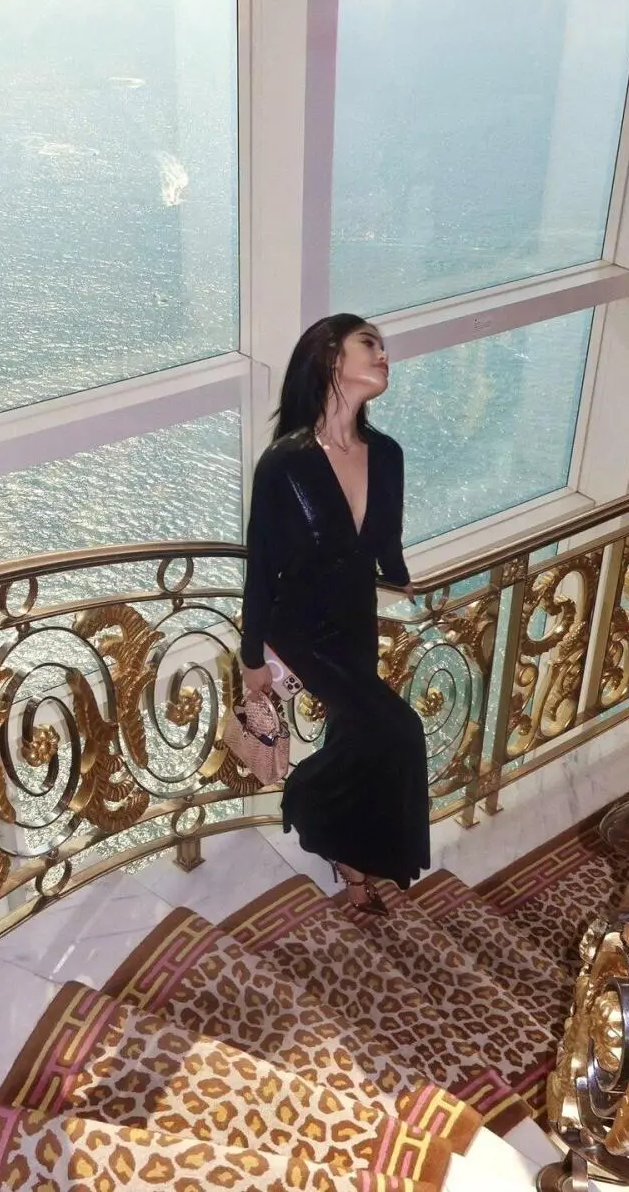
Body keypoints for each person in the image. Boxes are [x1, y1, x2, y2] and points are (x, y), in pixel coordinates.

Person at [239, 313, 431, 916]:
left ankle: (353, 871)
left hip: (357, 620)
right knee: (400, 732)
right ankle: (306, 794)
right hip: (302, 630)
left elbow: (385, 544)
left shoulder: (387, 454)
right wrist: (251, 657)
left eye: (383, 347)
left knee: (358, 738)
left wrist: (404, 579)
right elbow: (261, 565)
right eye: (369, 344)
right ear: (329, 357)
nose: (383, 354)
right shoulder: (284, 462)